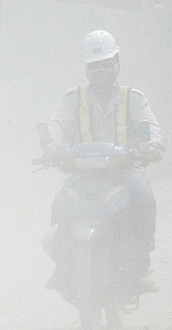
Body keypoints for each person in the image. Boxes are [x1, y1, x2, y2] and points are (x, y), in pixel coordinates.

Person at [41, 30, 165, 289]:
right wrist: (53, 148)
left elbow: (147, 124)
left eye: (106, 65)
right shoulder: (73, 98)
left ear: (117, 63)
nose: (101, 72)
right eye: (95, 67)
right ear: (86, 69)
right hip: (82, 174)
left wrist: (152, 145)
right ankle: (62, 266)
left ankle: (142, 264)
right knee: (60, 204)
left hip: (124, 173)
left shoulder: (133, 98)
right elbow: (58, 124)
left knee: (144, 196)